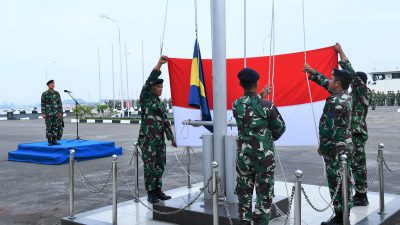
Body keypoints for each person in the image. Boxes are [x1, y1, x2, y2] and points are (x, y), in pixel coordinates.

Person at [232, 68, 286, 225]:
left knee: (244, 197)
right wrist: (268, 139)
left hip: (244, 159)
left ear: (241, 84)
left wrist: (260, 95)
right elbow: (280, 127)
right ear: (256, 83)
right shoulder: (267, 105)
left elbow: (249, 107)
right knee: (264, 197)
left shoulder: (236, 104)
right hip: (264, 160)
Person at [304, 63, 353, 225]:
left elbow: (328, 128)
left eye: (333, 79)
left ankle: (340, 218)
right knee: (345, 180)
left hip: (335, 149)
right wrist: (313, 72)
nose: (330, 81)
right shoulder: (346, 96)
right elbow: (328, 84)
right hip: (345, 147)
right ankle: (345, 212)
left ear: (338, 83)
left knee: (336, 182)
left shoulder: (334, 102)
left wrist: (322, 148)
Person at [335, 43, 372, 206]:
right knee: (351, 165)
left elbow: (351, 73)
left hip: (356, 134)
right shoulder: (355, 94)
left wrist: (341, 53)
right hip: (351, 133)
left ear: (360, 82)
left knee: (358, 166)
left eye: (355, 82)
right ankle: (355, 194)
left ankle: (362, 195)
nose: (351, 84)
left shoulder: (363, 91)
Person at [137, 55, 177, 204]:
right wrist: (160, 64)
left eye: (162, 87)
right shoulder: (146, 97)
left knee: (160, 165)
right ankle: (150, 192)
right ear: (152, 87)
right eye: (159, 87)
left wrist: (171, 138)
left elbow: (165, 122)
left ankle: (158, 189)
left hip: (159, 140)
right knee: (150, 167)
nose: (161, 89)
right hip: (148, 140)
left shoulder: (159, 104)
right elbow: (150, 78)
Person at [41, 80, 64, 146]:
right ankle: (49, 141)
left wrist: (60, 112)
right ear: (48, 85)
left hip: (56, 113)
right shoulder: (45, 94)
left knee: (55, 126)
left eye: (53, 84)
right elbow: (43, 104)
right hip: (48, 113)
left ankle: (54, 140)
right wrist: (43, 113)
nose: (52, 85)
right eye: (51, 84)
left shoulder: (57, 93)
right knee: (49, 127)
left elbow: (59, 103)